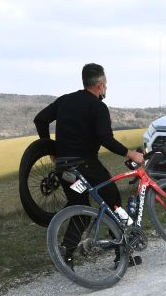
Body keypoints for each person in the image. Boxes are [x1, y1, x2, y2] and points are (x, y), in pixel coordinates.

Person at [34, 64, 144, 265]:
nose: (106, 89)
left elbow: (40, 120)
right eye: (106, 85)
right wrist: (131, 154)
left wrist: (51, 151)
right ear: (100, 85)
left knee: (80, 209)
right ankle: (123, 254)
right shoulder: (98, 107)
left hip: (65, 168)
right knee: (113, 200)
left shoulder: (65, 100)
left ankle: (67, 256)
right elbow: (106, 139)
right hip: (85, 165)